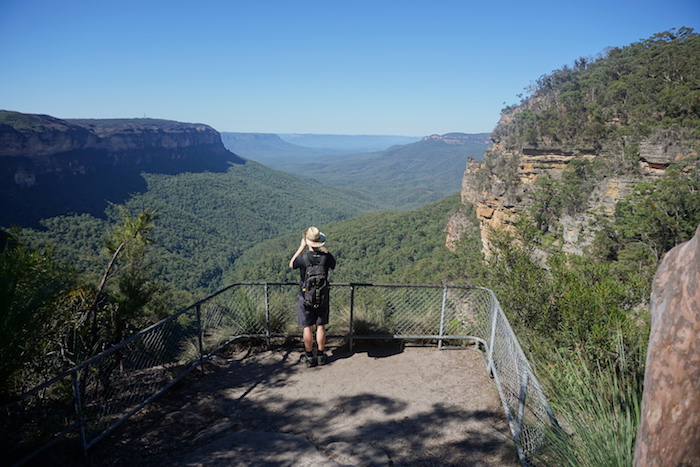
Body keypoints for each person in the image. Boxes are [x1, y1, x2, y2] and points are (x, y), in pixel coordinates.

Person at [289, 226, 336, 367]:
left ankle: (309, 357)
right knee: (320, 326)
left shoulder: (303, 258)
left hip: (305, 296)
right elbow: (333, 262)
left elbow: (291, 264)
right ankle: (321, 356)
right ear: (320, 242)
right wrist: (323, 247)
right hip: (322, 296)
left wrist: (301, 247)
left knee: (307, 327)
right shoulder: (326, 258)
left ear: (308, 242)